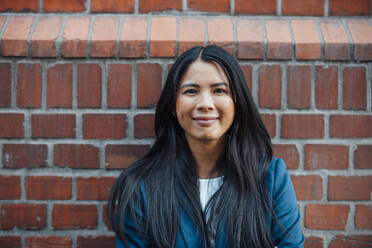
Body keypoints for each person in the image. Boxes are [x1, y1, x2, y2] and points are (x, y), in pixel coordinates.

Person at [107, 45, 305, 248]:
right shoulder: (141, 187)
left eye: (219, 90)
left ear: (237, 103)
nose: (205, 103)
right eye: (191, 91)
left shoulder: (271, 178)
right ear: (174, 106)